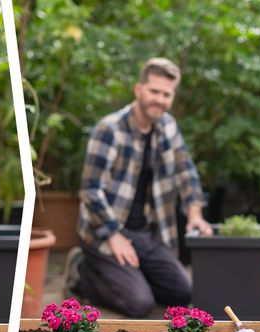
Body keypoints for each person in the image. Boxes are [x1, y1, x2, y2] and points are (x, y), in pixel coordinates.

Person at [70, 57, 212, 318]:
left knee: (182, 293)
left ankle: (130, 275)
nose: (160, 99)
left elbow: (186, 171)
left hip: (143, 233)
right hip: (104, 231)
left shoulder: (168, 126)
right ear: (138, 90)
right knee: (139, 304)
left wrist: (195, 214)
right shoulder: (110, 129)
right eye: (154, 91)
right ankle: (82, 271)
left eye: (166, 94)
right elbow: (90, 190)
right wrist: (114, 235)